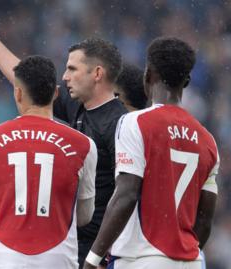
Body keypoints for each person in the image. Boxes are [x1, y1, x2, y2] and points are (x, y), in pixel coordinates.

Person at [0, 5, 127, 267]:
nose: (65, 77)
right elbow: (27, 81)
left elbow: (129, 194)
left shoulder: (120, 125)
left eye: (72, 69)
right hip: (67, 245)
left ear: (97, 74)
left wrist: (103, 253)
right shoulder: (77, 106)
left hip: (95, 253)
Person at [83, 37, 219, 269]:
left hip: (141, 259)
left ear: (148, 75)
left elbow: (126, 195)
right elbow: (205, 221)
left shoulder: (134, 123)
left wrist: (92, 259)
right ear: (186, 81)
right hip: (191, 261)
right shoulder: (207, 139)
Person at [0, 55, 97, 268]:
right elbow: (84, 215)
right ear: (56, 93)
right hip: (57, 261)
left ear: (18, 93)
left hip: (2, 260)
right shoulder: (83, 144)